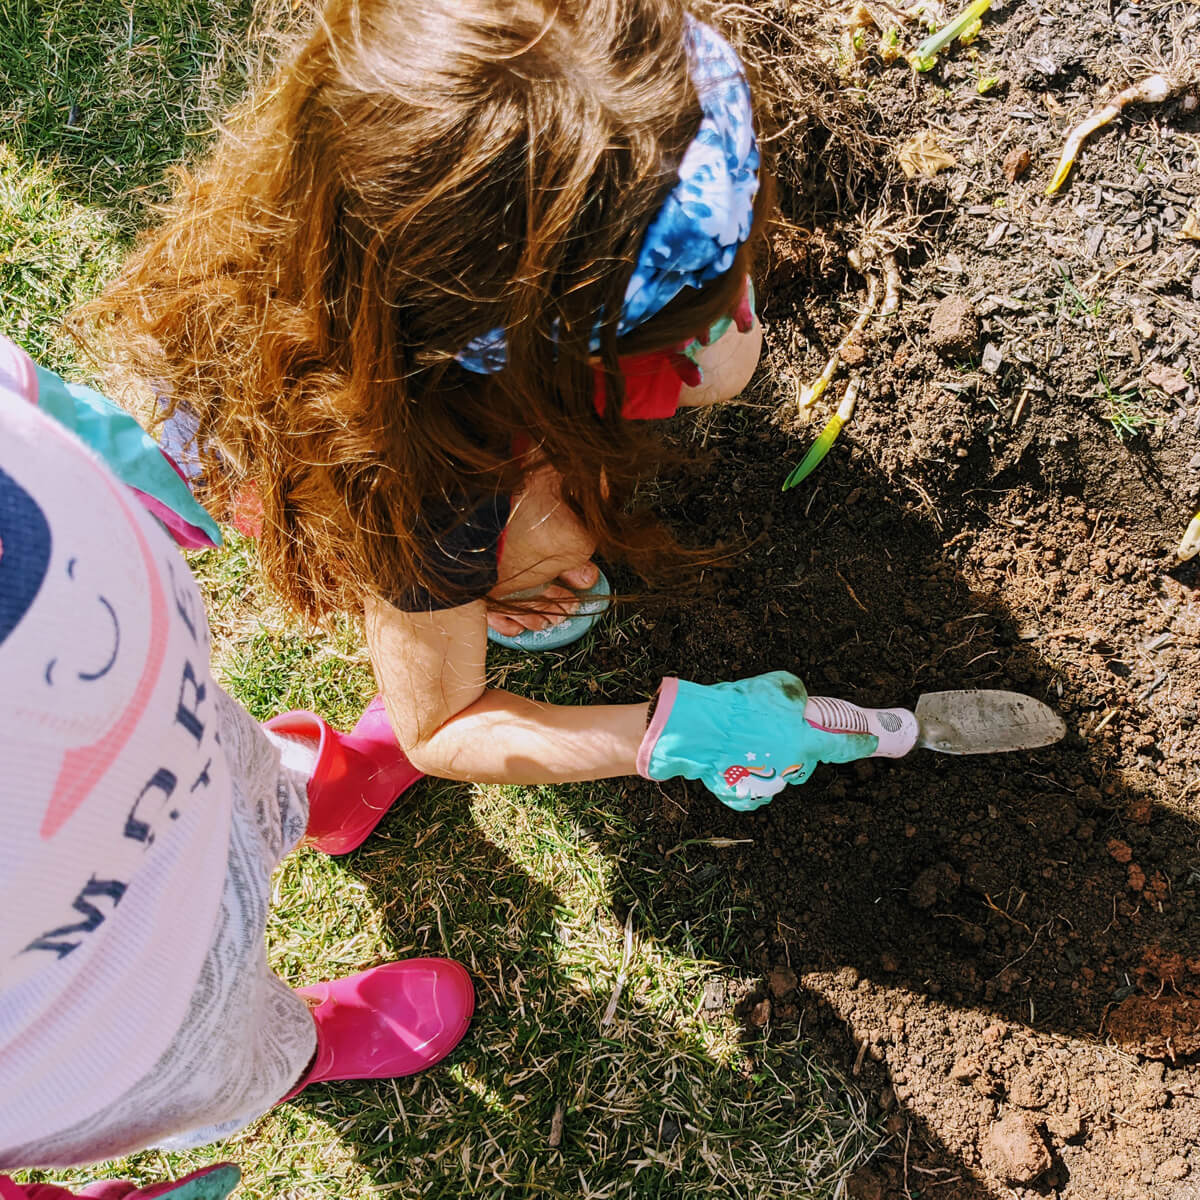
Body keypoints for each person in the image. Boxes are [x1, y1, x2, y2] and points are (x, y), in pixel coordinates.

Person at [86, 0, 883, 814]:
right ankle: (497, 587)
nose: (740, 300)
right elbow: (440, 726)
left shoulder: (428, 109)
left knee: (721, 367)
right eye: (697, 300)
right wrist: (673, 732)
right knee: (559, 543)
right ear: (538, 372)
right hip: (313, 457)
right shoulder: (420, 481)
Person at [0, 335, 475, 1168]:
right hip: (85, 1015)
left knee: (236, 773)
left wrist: (61, 423)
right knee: (205, 1050)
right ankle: (294, 1050)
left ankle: (324, 799)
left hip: (152, 722)